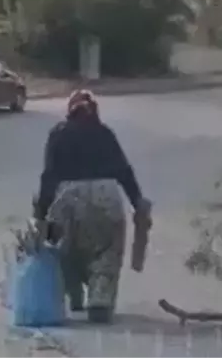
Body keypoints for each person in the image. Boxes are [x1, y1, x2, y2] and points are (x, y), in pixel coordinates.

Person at [34, 89, 151, 324]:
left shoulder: (58, 134)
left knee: (66, 250)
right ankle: (100, 299)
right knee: (106, 250)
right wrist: (137, 200)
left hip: (66, 199)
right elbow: (124, 171)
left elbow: (49, 176)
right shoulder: (105, 134)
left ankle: (74, 294)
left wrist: (41, 213)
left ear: (70, 112)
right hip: (105, 197)